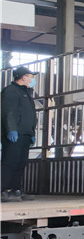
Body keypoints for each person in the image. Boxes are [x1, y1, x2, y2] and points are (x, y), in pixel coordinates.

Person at [1, 66, 38, 202]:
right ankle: (3, 190)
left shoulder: (26, 93)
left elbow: (31, 115)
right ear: (24, 77)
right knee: (10, 161)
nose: (32, 80)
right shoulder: (10, 91)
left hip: (25, 134)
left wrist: (32, 132)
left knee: (21, 162)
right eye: (31, 77)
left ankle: (16, 189)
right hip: (15, 134)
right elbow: (8, 112)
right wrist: (11, 129)